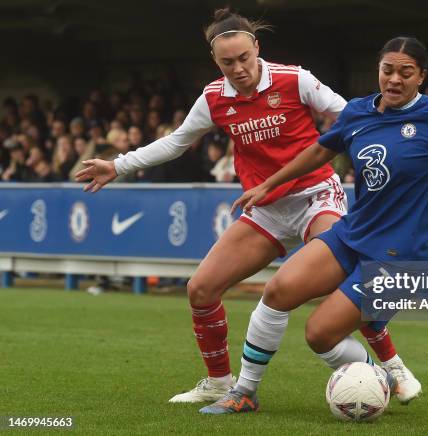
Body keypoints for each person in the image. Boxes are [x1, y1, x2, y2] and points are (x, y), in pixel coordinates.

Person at [75, 8, 411, 403]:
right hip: (265, 207)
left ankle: (392, 366)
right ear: (216, 63)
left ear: (257, 49)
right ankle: (218, 382)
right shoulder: (214, 98)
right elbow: (177, 141)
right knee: (200, 288)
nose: (237, 68)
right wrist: (119, 164)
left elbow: (352, 116)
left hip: (316, 195)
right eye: (226, 62)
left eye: (243, 58)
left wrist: (406, 149)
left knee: (347, 275)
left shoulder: (295, 79)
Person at [201, 36, 428, 414]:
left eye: (405, 73)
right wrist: (269, 184)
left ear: (421, 76)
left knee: (319, 334)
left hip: (402, 256)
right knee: (277, 292)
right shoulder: (358, 112)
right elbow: (319, 151)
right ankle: (244, 392)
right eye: (387, 70)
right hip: (353, 233)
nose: (394, 79)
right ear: (378, 70)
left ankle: (377, 376)